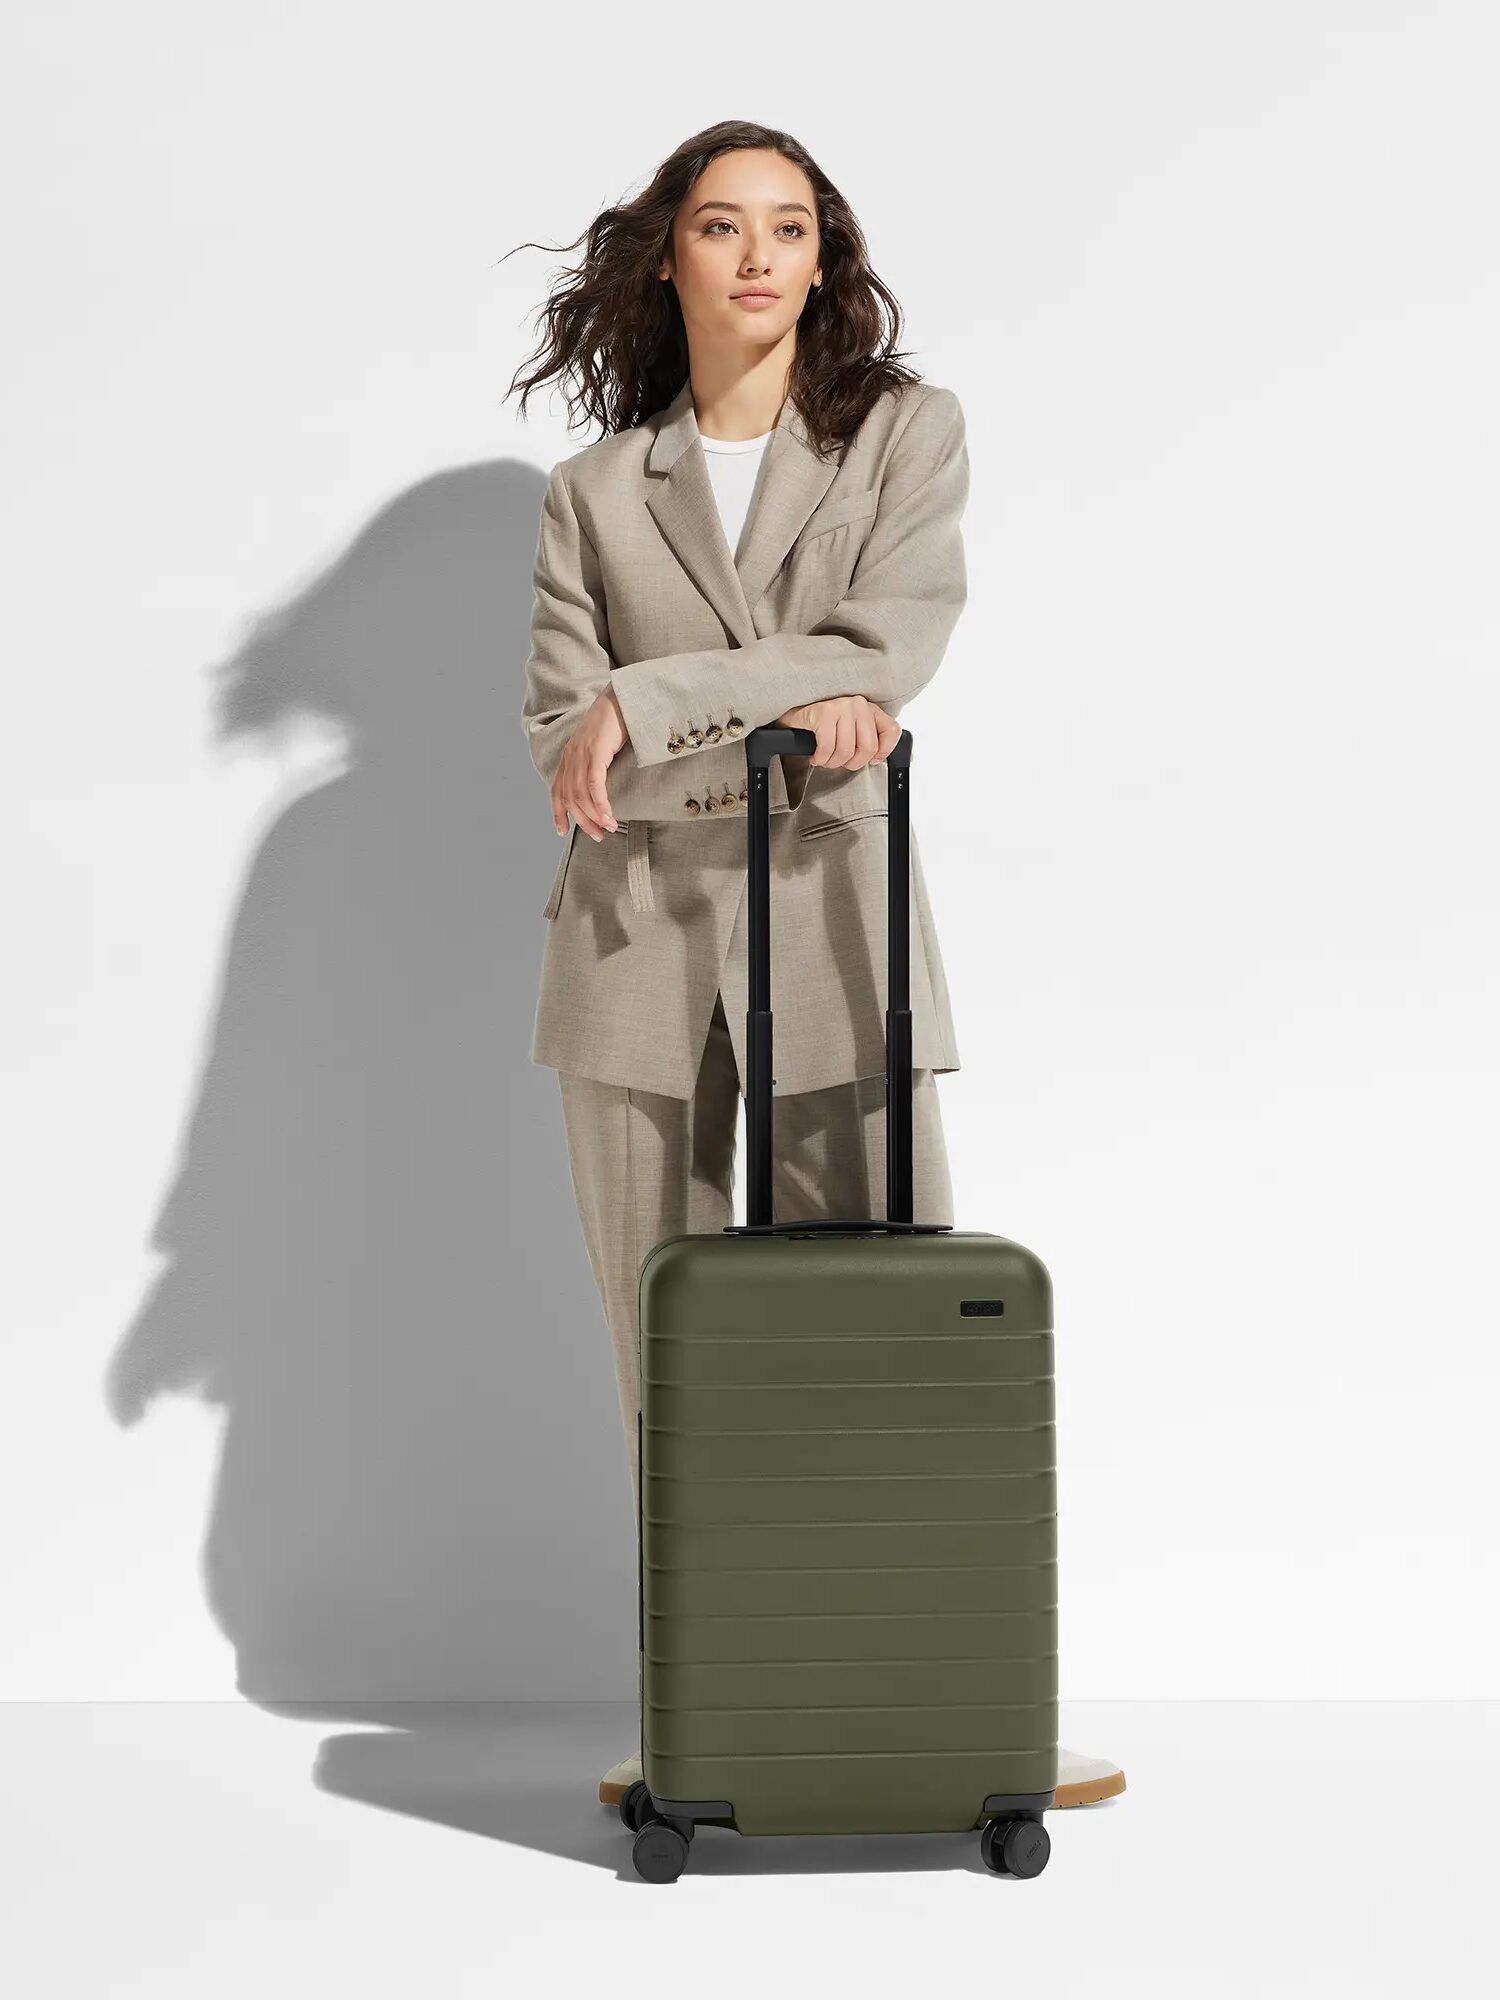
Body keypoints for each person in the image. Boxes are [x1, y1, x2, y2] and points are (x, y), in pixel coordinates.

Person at [508, 120, 1125, 1813]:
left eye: (793, 226)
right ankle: (715, 1708)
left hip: (837, 933)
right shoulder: (588, 493)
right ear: (669, 260)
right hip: (627, 952)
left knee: (884, 1339)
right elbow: (563, 739)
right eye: (723, 226)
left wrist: (659, 697)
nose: (762, 256)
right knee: (667, 1360)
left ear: (827, 258)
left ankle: (933, 1688)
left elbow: (891, 643)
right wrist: (753, 710)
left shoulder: (902, 437)